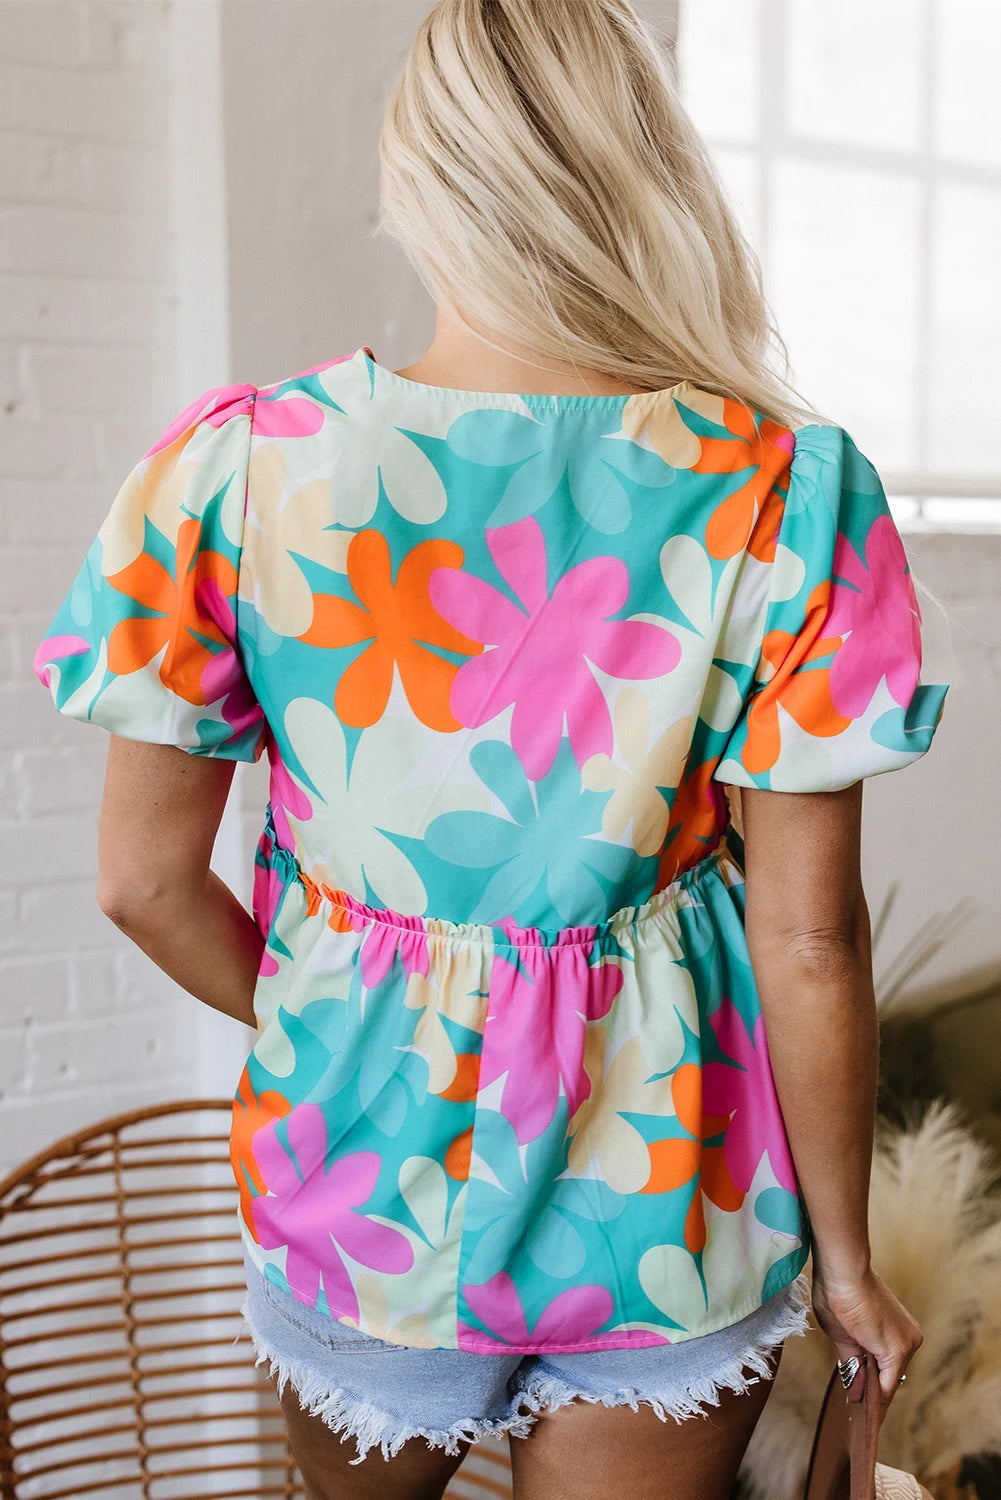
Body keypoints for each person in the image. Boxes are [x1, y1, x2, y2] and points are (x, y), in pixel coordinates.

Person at [32, 2, 949, 1497]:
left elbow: (143, 885)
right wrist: (845, 1263)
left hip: (359, 1171)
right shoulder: (784, 489)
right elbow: (807, 942)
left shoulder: (241, 469)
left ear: (418, 182)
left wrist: (340, 1018)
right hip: (669, 1185)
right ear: (645, 172)